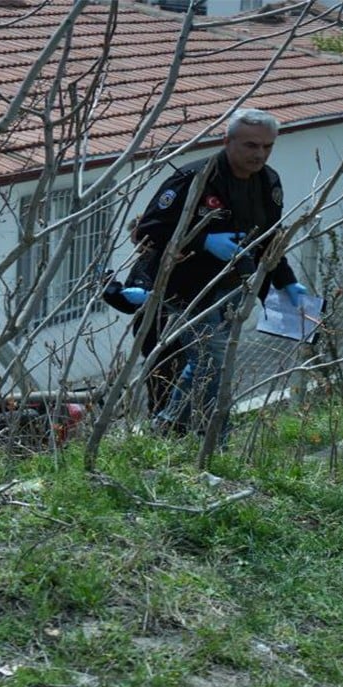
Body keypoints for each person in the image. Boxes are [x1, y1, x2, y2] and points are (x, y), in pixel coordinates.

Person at [128, 107, 308, 439]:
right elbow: (150, 230)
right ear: (227, 141)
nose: (260, 154)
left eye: (267, 146)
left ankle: (177, 432)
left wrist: (286, 281)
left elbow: (269, 238)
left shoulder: (268, 181)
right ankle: (206, 436)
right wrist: (203, 240)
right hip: (176, 291)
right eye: (251, 145)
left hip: (228, 292)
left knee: (208, 365)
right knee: (182, 367)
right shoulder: (194, 179)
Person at [101, 239, 185, 415]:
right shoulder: (143, 262)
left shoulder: (179, 258)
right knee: (157, 384)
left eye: (141, 243)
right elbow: (130, 305)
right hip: (151, 340)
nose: (138, 248)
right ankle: (159, 422)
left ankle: (179, 423)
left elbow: (186, 295)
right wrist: (110, 289)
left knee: (180, 383)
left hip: (179, 335)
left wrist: (156, 298)